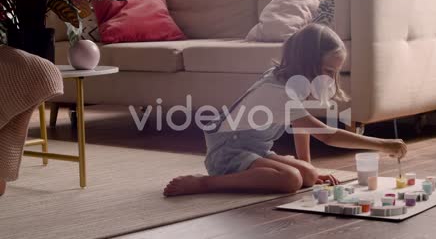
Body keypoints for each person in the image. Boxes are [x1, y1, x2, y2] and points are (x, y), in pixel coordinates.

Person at [164, 24, 407, 196]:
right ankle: (207, 183)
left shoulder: (291, 82)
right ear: (306, 63)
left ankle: (296, 170)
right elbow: (326, 135)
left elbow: (302, 127)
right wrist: (383, 145)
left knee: (307, 176)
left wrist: (308, 166)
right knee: (291, 180)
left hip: (253, 149)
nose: (331, 78)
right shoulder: (280, 93)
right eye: (327, 71)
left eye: (335, 72)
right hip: (227, 154)